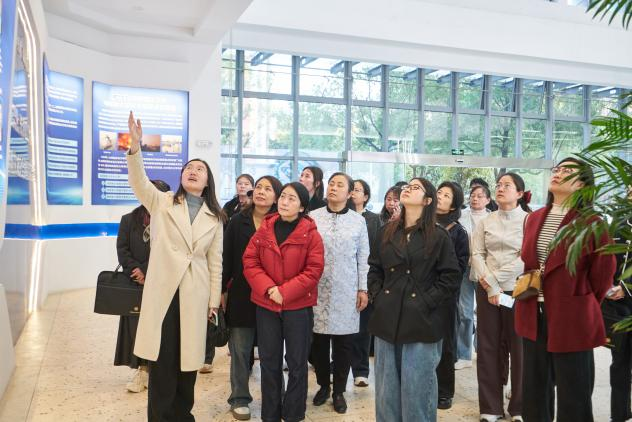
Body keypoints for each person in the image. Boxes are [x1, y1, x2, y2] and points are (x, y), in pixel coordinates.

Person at [126, 112, 225, 421]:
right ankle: (159, 416)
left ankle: (183, 416)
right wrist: (135, 147)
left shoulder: (215, 217)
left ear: (207, 181)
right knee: (163, 360)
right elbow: (139, 182)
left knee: (188, 362)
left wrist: (213, 302)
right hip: (165, 293)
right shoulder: (163, 202)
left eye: (200, 169)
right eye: (188, 168)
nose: (193, 171)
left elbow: (215, 262)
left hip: (195, 294)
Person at [514, 158, 617, 422]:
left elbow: (603, 275)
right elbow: (530, 262)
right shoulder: (534, 218)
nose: (558, 173)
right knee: (534, 391)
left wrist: (579, 302)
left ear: (582, 184)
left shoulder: (592, 222)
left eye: (567, 171)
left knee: (574, 392)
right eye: (557, 169)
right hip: (533, 311)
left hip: (572, 314)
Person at [368, 178, 461, 422]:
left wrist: (426, 302)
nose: (408, 189)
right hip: (387, 317)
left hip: (422, 321)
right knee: (386, 393)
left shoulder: (438, 235)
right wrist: (378, 296)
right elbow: (374, 268)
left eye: (416, 187)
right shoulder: (386, 231)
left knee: (417, 392)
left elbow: (451, 277)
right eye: (407, 186)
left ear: (428, 200)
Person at [243, 182, 324, 422]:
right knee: (269, 362)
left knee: (297, 364)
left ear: (302, 207)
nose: (284, 202)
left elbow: (313, 270)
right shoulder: (265, 228)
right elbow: (250, 261)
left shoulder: (311, 233)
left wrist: (284, 292)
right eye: (283, 197)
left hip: (298, 307)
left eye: (292, 198)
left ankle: (293, 414)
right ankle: (270, 414)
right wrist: (269, 289)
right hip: (267, 305)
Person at [472, 172, 531, 422]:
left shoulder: (529, 221)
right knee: (488, 347)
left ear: (519, 193)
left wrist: (495, 280)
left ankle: (519, 407)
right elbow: (477, 254)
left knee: (519, 349)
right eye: (498, 185)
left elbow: (526, 257)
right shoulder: (486, 220)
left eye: (507, 185)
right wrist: (491, 286)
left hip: (518, 290)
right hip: (487, 290)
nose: (500, 188)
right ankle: (491, 407)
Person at [223, 175, 283, 421]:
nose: (261, 191)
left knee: (272, 352)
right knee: (240, 350)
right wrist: (221, 291)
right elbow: (226, 258)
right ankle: (239, 398)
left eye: (268, 189)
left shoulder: (282, 222)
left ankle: (274, 398)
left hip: (272, 295)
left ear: (276, 197)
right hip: (241, 295)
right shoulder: (238, 221)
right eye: (258, 187)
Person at [310, 172, 370, 414]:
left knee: (344, 344)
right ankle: (324, 385)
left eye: (340, 185)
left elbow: (363, 257)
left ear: (350, 192)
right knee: (318, 343)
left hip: (347, 288)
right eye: (331, 184)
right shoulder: (313, 217)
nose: (333, 188)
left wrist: (363, 288)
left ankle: (339, 391)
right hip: (317, 288)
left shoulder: (358, 222)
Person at [115, 179, 170, 393]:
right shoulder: (128, 219)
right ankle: (141, 370)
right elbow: (122, 249)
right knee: (135, 327)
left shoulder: (170, 220)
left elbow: (169, 250)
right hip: (134, 283)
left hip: (162, 281)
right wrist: (136, 271)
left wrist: (147, 270)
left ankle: (156, 370)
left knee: (159, 325)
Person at [434, 181, 470, 410]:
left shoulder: (458, 232)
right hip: (419, 294)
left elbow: (459, 268)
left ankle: (444, 392)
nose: (440, 196)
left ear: (454, 205)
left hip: (445, 297)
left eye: (446, 195)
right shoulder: (421, 224)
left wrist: (440, 289)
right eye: (439, 192)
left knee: (445, 344)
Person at [455, 184, 491, 370]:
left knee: (485, 312)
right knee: (465, 311)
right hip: (464, 268)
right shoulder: (461, 216)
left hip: (485, 269)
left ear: (488, 200)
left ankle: (482, 350)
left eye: (480, 196)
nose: (475, 199)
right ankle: (464, 354)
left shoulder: (492, 218)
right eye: (473, 195)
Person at [349, 179, 381, 387]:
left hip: (366, 276)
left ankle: (361, 370)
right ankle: (337, 366)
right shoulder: (340, 216)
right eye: (351, 189)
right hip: (343, 278)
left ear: (366, 196)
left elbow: (376, 250)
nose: (353, 193)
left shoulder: (373, 219)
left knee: (362, 326)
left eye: (358, 190)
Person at [603, 209, 632, 422]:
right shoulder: (619, 224)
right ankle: (619, 414)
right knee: (619, 361)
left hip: (626, 292)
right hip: (619, 305)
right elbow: (605, 259)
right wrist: (608, 286)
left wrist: (626, 286)